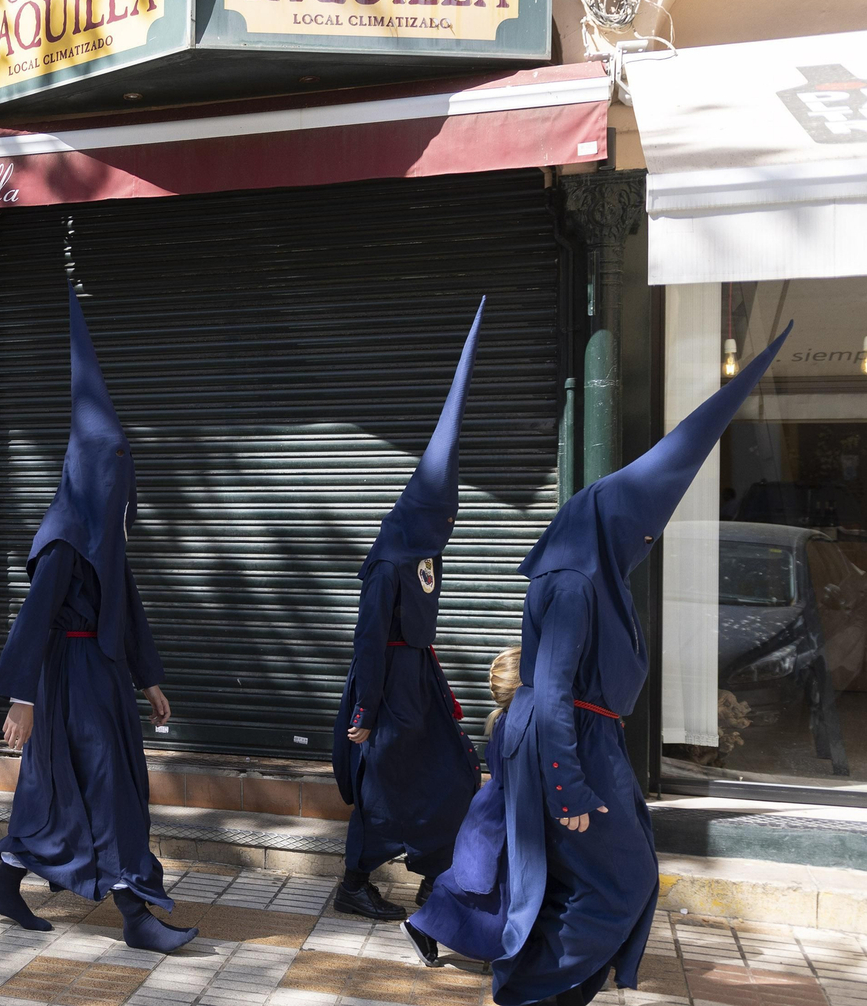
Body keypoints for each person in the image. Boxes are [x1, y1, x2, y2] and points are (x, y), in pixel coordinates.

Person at [490, 323, 792, 1006]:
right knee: (620, 883)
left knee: (587, 885)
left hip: (589, 741)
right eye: (644, 532)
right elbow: (554, 689)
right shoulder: (573, 581)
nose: (647, 542)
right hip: (568, 743)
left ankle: (544, 991)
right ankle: (529, 992)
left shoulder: (594, 574)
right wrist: (567, 788)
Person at [0, 285, 198, 955]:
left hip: (101, 679)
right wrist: (22, 699)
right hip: (67, 680)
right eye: (114, 468)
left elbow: (127, 609)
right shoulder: (64, 537)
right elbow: (34, 618)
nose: (124, 486)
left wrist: (149, 678)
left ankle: (6, 882)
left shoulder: (106, 540)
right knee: (103, 790)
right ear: (88, 471)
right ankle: (135, 913)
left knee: (68, 789)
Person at [330, 300, 486, 920]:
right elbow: (370, 640)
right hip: (388, 690)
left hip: (420, 683)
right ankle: (353, 883)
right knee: (382, 788)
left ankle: (434, 874)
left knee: (452, 776)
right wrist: (365, 712)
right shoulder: (388, 564)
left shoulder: (424, 554)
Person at [404, 646, 521, 967]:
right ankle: (421, 924)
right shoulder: (515, 725)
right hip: (499, 816)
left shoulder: (505, 720)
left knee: (486, 883)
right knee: (477, 883)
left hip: (496, 812)